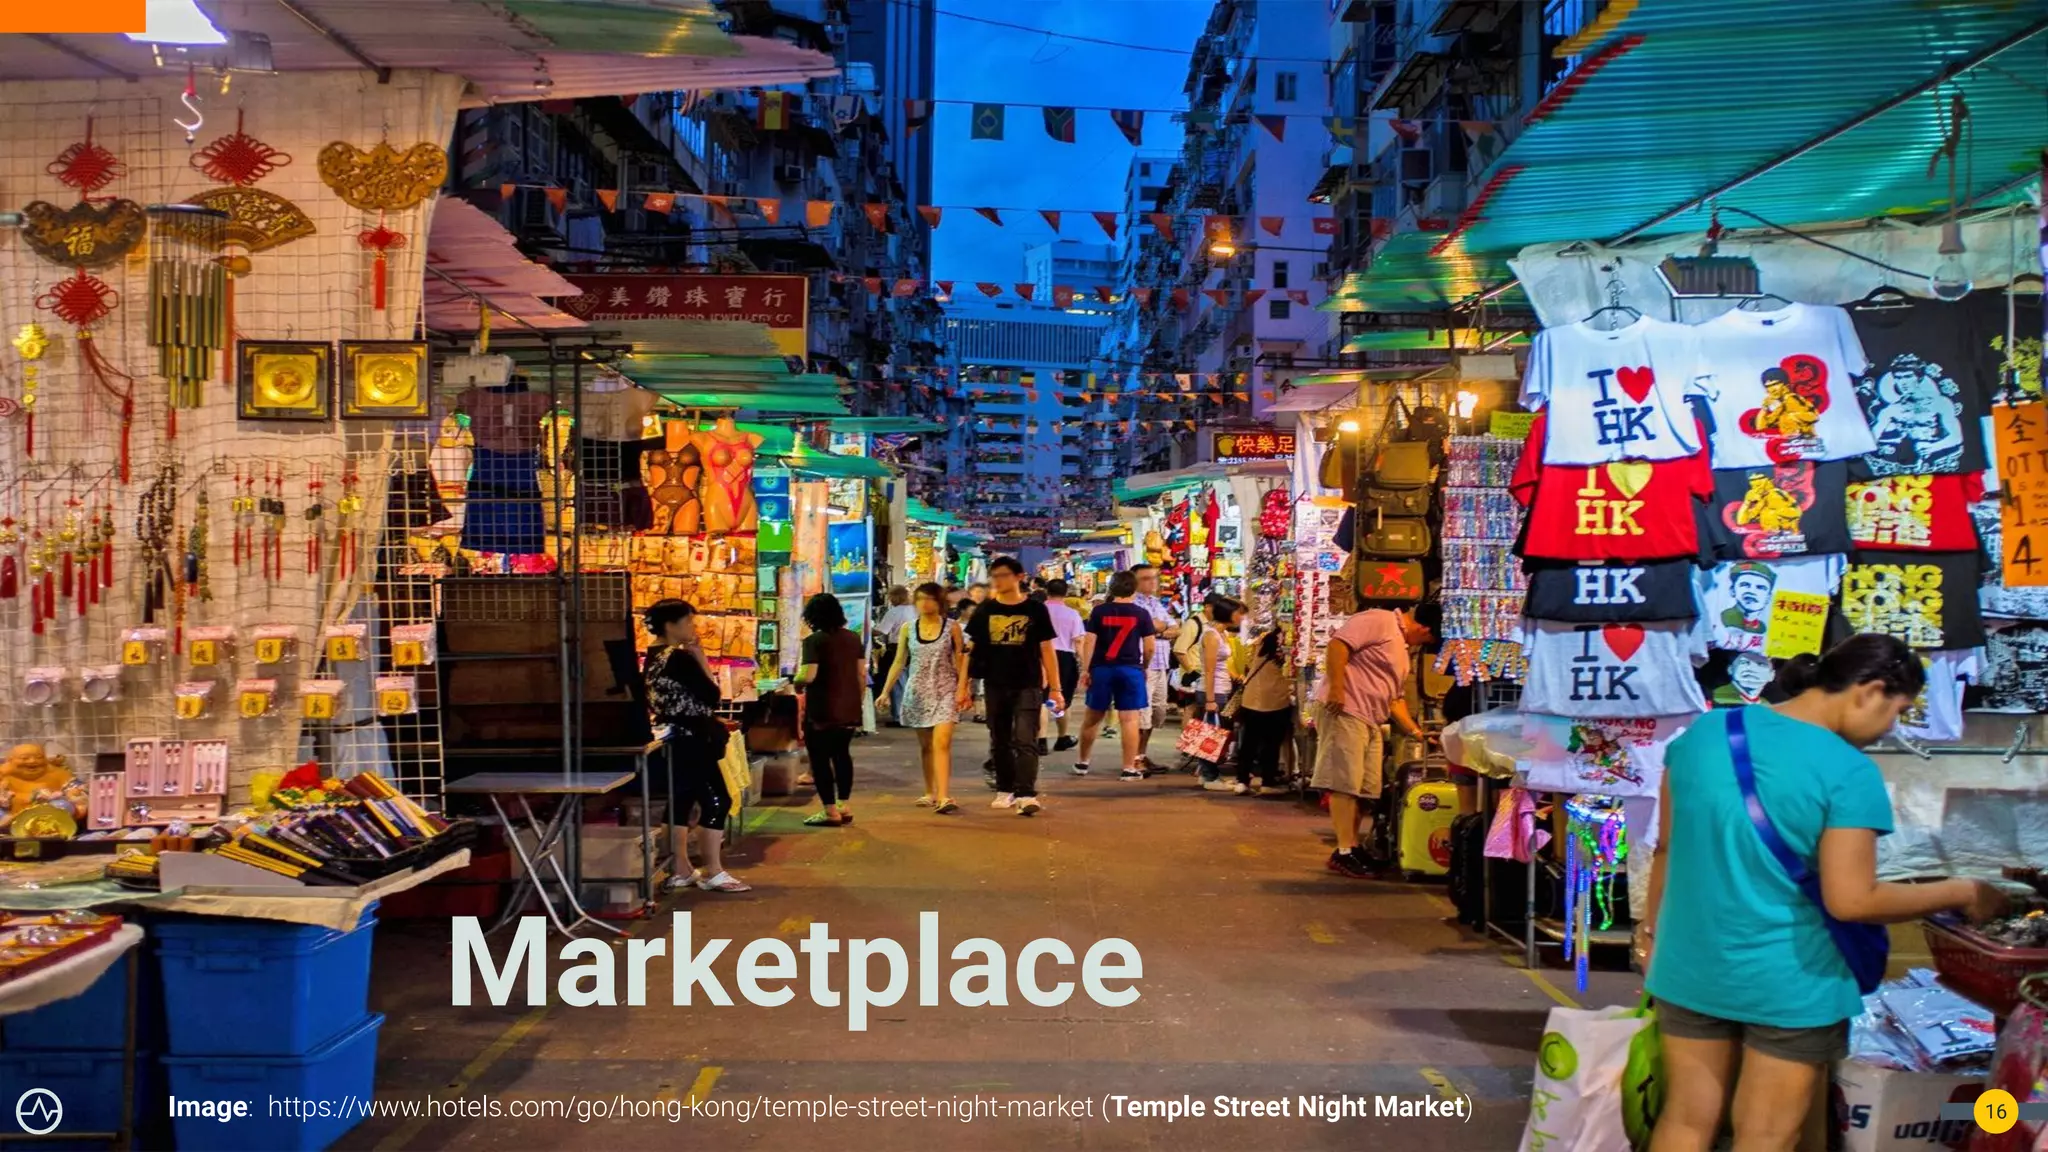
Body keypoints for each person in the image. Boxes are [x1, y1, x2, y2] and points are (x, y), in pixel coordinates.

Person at [1644, 635, 2008, 1152]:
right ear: (1870, 690)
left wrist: (1650, 933)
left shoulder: (1704, 733)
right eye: (1897, 711)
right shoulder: (1847, 771)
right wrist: (1962, 890)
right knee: (1765, 1135)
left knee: (1683, 1123)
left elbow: (1666, 848)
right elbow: (1852, 901)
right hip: (1790, 981)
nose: (1890, 729)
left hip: (1688, 966)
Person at [1312, 603, 1437, 878]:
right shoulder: (1381, 620)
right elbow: (1338, 645)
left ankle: (1352, 846)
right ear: (1424, 628)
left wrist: (1417, 733)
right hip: (1346, 710)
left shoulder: (1401, 648)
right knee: (1344, 782)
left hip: (1371, 719)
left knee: (1366, 788)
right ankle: (1345, 851)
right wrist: (1336, 688)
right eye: (1428, 639)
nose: (1424, 644)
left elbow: (1394, 699)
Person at [641, 600, 749, 892]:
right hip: (694, 738)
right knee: (718, 799)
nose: (693, 627)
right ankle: (713, 870)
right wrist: (701, 658)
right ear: (670, 625)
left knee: (681, 801)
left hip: (671, 737)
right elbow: (712, 696)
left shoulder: (653, 656)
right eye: (688, 621)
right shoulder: (679, 658)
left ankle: (681, 870)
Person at [963, 556, 1063, 816]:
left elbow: (1047, 649)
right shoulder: (985, 610)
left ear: (1019, 577)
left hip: (1028, 683)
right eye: (995, 576)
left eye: (1004, 575)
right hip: (995, 683)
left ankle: (1026, 793)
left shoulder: (1036, 610)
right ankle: (1005, 789)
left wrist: (1056, 687)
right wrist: (963, 686)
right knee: (1000, 739)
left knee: (1025, 738)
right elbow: (970, 650)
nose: (998, 580)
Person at [878, 583, 968, 814]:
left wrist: (963, 689)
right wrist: (885, 691)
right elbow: (900, 661)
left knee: (942, 742)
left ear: (940, 602)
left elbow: (960, 659)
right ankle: (930, 792)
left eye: (929, 599)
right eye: (920, 599)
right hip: (917, 691)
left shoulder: (952, 628)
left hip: (946, 689)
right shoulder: (909, 628)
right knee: (927, 746)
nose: (924, 604)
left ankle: (945, 796)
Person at [1072, 569, 1157, 780]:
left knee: (1093, 717)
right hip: (1130, 669)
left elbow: (1089, 642)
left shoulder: (1099, 612)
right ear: (1134, 588)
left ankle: (1083, 762)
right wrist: (1144, 666)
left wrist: (1085, 669)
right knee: (1129, 719)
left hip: (1102, 669)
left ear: (1111, 588)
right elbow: (1149, 648)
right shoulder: (1141, 614)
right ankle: (1128, 767)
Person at [795, 593, 866, 827]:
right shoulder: (853, 639)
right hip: (849, 707)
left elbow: (809, 674)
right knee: (842, 754)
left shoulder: (814, 641)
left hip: (822, 708)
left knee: (820, 759)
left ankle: (829, 811)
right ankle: (844, 804)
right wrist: (858, 700)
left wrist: (796, 681)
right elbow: (861, 675)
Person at [1129, 564, 1181, 774]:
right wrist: (1158, 629)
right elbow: (1149, 627)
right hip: (1144, 664)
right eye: (1145, 578)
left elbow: (1176, 627)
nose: (1152, 582)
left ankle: (1142, 754)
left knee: (1158, 711)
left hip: (1161, 663)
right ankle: (1134, 758)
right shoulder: (1132, 603)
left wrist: (1156, 629)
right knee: (1143, 712)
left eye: (1154, 578)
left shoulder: (1156, 603)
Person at [1232, 625, 1294, 795]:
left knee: (1248, 743)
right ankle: (1267, 781)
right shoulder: (1286, 657)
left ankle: (1242, 781)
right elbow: (1289, 679)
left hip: (1251, 701)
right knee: (1271, 745)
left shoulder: (1260, 649)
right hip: (1276, 703)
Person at [1197, 596, 1247, 791]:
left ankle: (1207, 773)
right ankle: (1210, 777)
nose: (1241, 617)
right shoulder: (1211, 635)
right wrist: (1210, 699)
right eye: (1238, 613)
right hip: (1213, 690)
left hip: (1221, 688)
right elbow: (1209, 670)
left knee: (1215, 733)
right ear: (1229, 613)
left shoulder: (1222, 633)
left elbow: (1222, 665)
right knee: (1211, 734)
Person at [1042, 578, 1086, 754]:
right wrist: (1085, 666)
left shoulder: (1038, 611)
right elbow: (1079, 641)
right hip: (1065, 658)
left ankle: (1041, 740)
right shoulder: (1072, 614)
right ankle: (1062, 737)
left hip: (1041, 656)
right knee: (1062, 700)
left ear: (1047, 591)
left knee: (1041, 700)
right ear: (1066, 593)